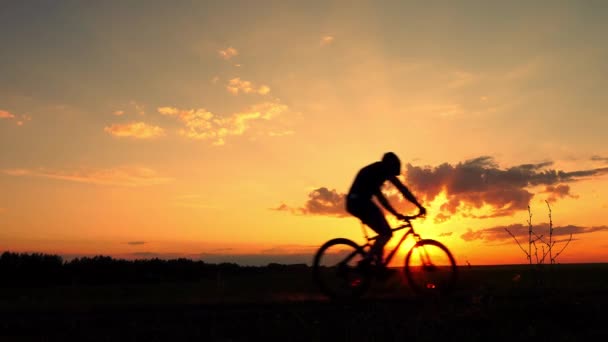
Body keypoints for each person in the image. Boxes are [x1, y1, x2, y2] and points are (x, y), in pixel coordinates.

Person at [346, 152, 426, 275]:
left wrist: (418, 205)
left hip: (361, 202)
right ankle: (366, 262)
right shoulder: (374, 172)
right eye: (391, 172)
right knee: (386, 232)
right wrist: (395, 213)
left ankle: (378, 267)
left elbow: (402, 189)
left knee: (383, 232)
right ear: (388, 166)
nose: (391, 176)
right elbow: (381, 198)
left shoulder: (383, 170)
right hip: (357, 202)